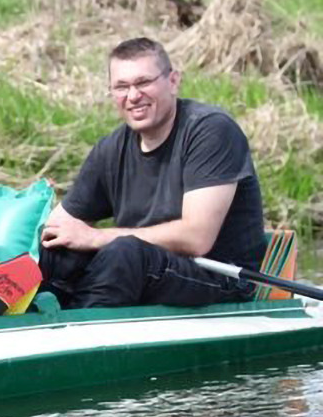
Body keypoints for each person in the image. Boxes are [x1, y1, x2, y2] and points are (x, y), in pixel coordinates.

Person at [39, 37, 265, 309]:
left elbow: (197, 237)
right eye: (121, 87)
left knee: (125, 252)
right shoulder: (110, 148)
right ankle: (39, 318)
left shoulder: (211, 131)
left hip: (220, 276)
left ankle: (80, 331)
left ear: (173, 81)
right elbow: (59, 225)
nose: (133, 96)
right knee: (57, 248)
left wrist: (97, 238)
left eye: (143, 82)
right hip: (142, 268)